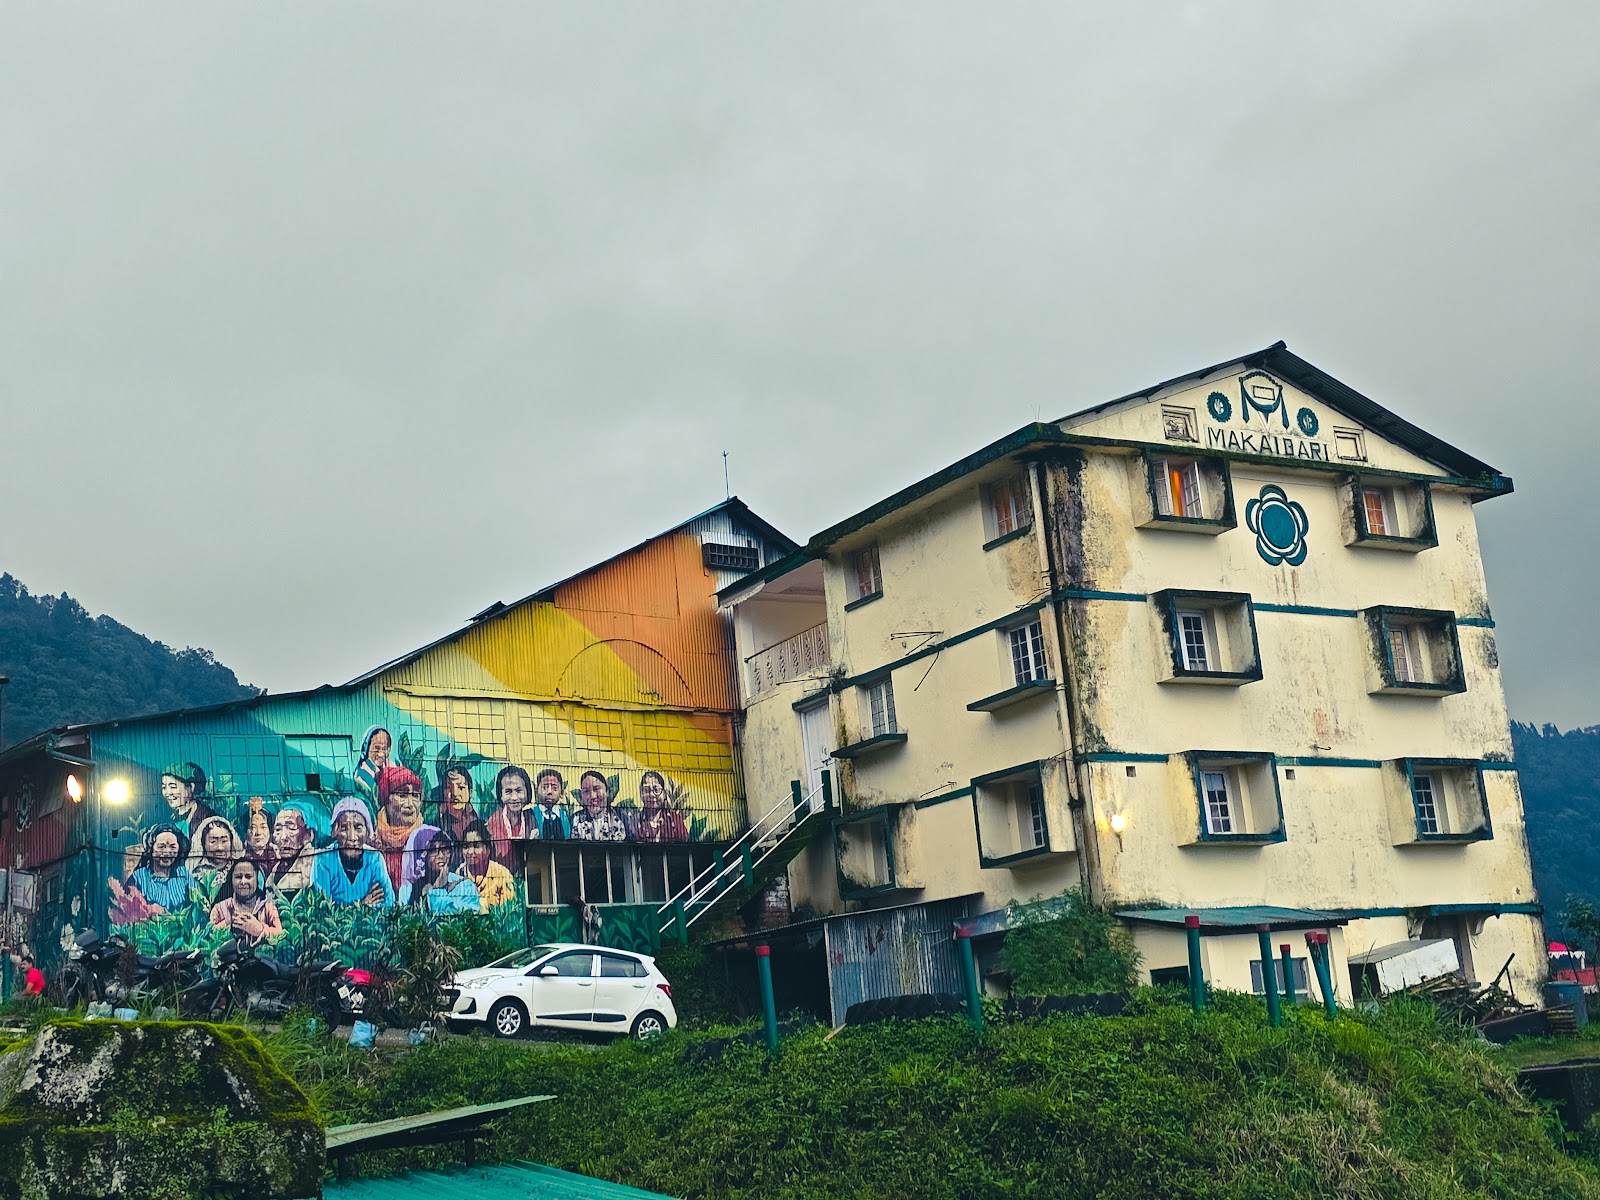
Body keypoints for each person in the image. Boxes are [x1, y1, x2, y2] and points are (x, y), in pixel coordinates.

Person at [312, 797, 395, 907]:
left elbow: (388, 903)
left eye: (358, 828)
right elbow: (321, 908)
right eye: (344, 829)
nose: (352, 837)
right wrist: (362, 905)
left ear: (367, 831)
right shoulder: (323, 860)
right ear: (335, 832)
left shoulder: (375, 858)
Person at [109, 823, 195, 923]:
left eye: (173, 847)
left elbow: (198, 906)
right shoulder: (139, 878)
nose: (167, 852)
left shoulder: (184, 876)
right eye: (161, 847)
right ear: (151, 848)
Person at [372, 764, 434, 894]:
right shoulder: (373, 840)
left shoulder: (429, 840)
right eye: (402, 795)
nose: (410, 804)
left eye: (415, 795)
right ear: (386, 800)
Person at [402, 828, 482, 915]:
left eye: (445, 849)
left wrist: (439, 891)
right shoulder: (413, 887)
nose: (441, 856)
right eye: (433, 850)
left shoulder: (465, 886)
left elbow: (469, 917)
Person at [208, 858, 284, 947]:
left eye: (248, 877)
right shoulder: (220, 908)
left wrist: (259, 929)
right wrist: (228, 922)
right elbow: (208, 936)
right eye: (238, 877)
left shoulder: (268, 908)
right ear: (231, 880)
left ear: (257, 879)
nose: (243, 882)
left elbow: (280, 935)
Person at [459, 819, 516, 908]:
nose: (470, 852)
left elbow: (509, 910)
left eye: (476, 846)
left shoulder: (502, 875)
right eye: (466, 846)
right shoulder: (459, 874)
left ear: (488, 850)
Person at [487, 765, 535, 864]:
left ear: (527, 792)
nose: (514, 798)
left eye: (519, 790)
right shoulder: (491, 825)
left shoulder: (533, 820)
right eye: (508, 792)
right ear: (500, 795)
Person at [187, 814, 245, 896]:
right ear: (203, 844)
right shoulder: (194, 873)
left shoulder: (240, 868)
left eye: (224, 841)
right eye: (213, 842)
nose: (219, 847)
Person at [265, 805, 316, 895]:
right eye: (278, 829)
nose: (283, 837)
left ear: (309, 835)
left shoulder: (316, 865)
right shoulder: (277, 869)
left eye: (291, 828)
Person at [626, 770, 689, 843]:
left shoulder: (674, 820)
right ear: (641, 794)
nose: (652, 794)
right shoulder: (634, 822)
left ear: (664, 794)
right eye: (647, 790)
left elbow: (685, 845)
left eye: (656, 790)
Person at [159, 763, 216, 837]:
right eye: (164, 787)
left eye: (173, 787)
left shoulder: (207, 818)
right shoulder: (169, 818)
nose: (167, 793)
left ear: (191, 787)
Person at [572, 770, 627, 842]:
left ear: (607, 792)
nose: (592, 796)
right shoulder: (574, 820)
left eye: (596, 789)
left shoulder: (621, 818)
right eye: (586, 791)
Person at [434, 764, 482, 841]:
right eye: (449, 787)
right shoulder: (436, 825)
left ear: (470, 792)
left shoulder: (478, 825)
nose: (455, 793)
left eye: (461, 787)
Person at [353, 726, 393, 803]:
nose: (381, 754)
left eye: (384, 749)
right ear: (367, 748)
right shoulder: (362, 774)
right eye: (376, 748)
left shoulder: (392, 767)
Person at [532, 768, 571, 841]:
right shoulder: (529, 815)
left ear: (561, 793)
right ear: (536, 791)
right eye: (545, 787)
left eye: (554, 788)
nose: (549, 792)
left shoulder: (566, 817)